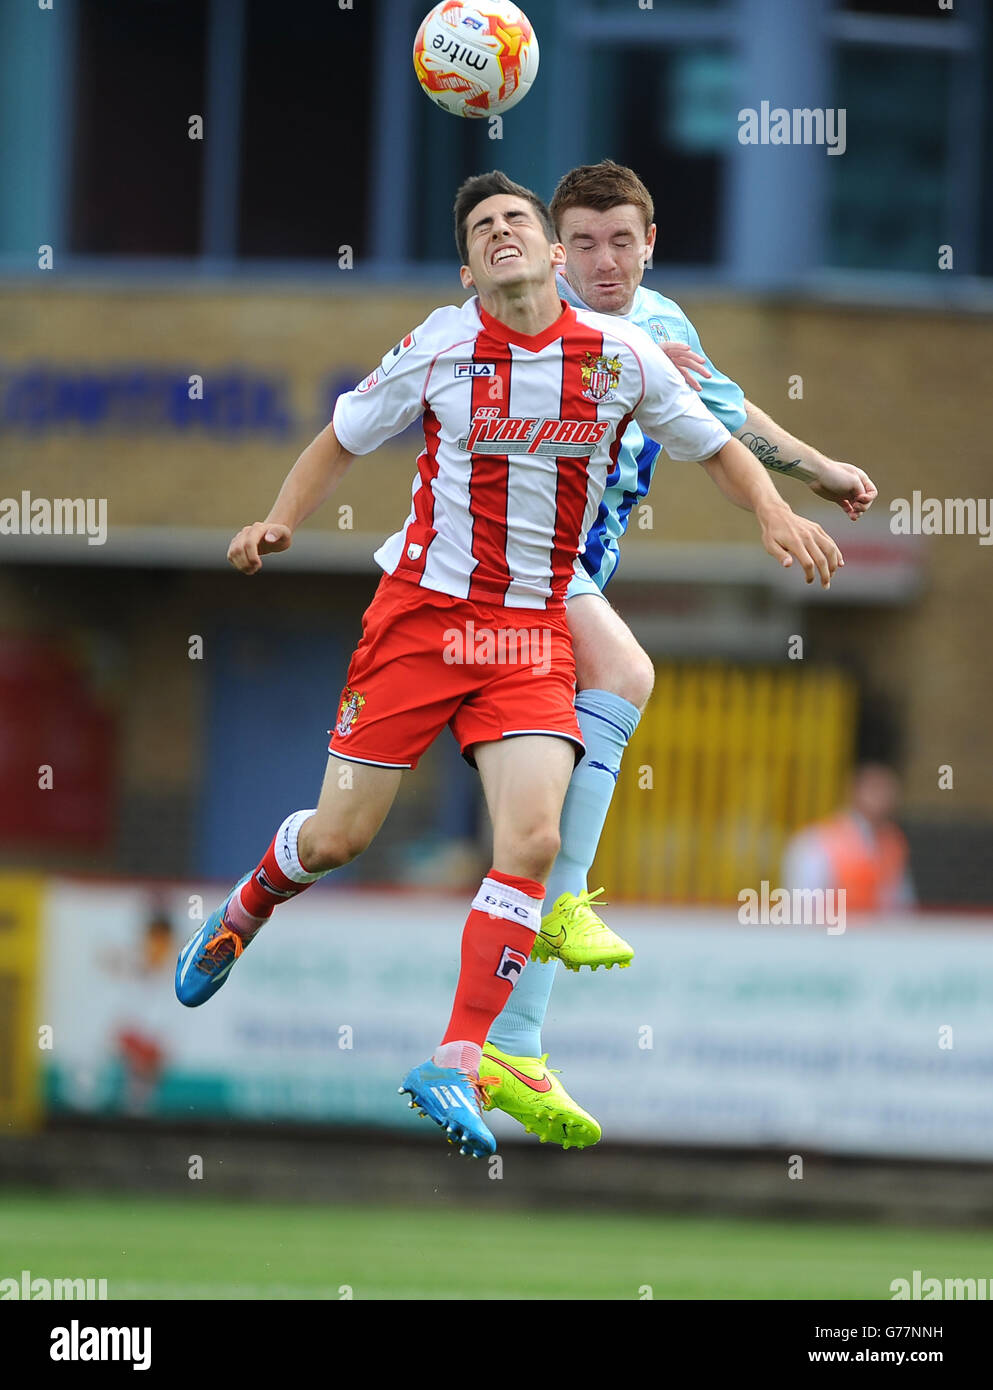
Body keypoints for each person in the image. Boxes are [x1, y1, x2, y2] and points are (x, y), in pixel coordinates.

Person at [175, 170, 842, 1160]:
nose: (502, 233)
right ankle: (253, 900)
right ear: (471, 265)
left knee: (526, 837)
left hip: (529, 626)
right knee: (342, 836)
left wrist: (785, 506)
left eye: (514, 221)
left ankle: (458, 1055)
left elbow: (718, 442)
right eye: (483, 226)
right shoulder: (441, 344)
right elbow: (342, 435)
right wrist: (279, 518)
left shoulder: (623, 351)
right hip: (422, 620)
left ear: (547, 251)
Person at [481, 161, 878, 1149]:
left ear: (650, 244)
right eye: (582, 242)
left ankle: (512, 1035)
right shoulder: (520, 317)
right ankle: (558, 912)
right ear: (554, 249)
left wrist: (819, 474)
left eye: (622, 241)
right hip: (504, 562)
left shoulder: (662, 329)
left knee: (482, 822)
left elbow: (727, 421)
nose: (604, 261)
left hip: (567, 579)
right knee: (627, 675)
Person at [781, 762, 915, 911]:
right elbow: (803, 905)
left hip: (876, 933)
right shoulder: (818, 840)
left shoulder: (893, 842)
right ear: (854, 791)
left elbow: (900, 903)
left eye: (888, 790)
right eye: (875, 788)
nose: (883, 797)